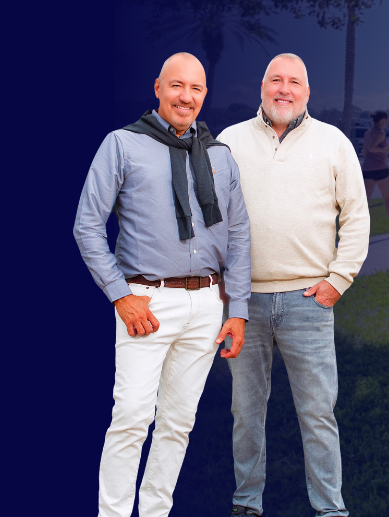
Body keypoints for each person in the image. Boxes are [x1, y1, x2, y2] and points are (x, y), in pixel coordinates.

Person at [74, 52, 251, 517]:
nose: (185, 97)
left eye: (195, 89)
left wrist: (237, 310)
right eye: (177, 86)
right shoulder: (122, 145)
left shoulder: (220, 157)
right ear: (158, 88)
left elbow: (238, 236)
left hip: (207, 306)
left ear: (204, 95)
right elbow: (87, 227)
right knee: (131, 418)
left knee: (178, 424)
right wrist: (121, 296)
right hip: (146, 303)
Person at [218, 53, 370, 517]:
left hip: (309, 302)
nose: (285, 89)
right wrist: (226, 294)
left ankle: (329, 508)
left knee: (318, 413)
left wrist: (337, 282)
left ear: (308, 92)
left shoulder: (333, 143)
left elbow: (358, 217)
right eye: (276, 80)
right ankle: (247, 501)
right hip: (245, 304)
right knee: (246, 413)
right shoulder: (229, 142)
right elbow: (213, 221)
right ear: (261, 86)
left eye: (295, 82)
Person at [362, 110, 389, 233]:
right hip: (381, 169)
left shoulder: (367, 133)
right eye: (386, 121)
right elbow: (372, 148)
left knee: (364, 201)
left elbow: (365, 151)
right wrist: (387, 149)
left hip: (367, 169)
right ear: (382, 120)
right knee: (387, 199)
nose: (387, 123)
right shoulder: (381, 132)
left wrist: (373, 157)